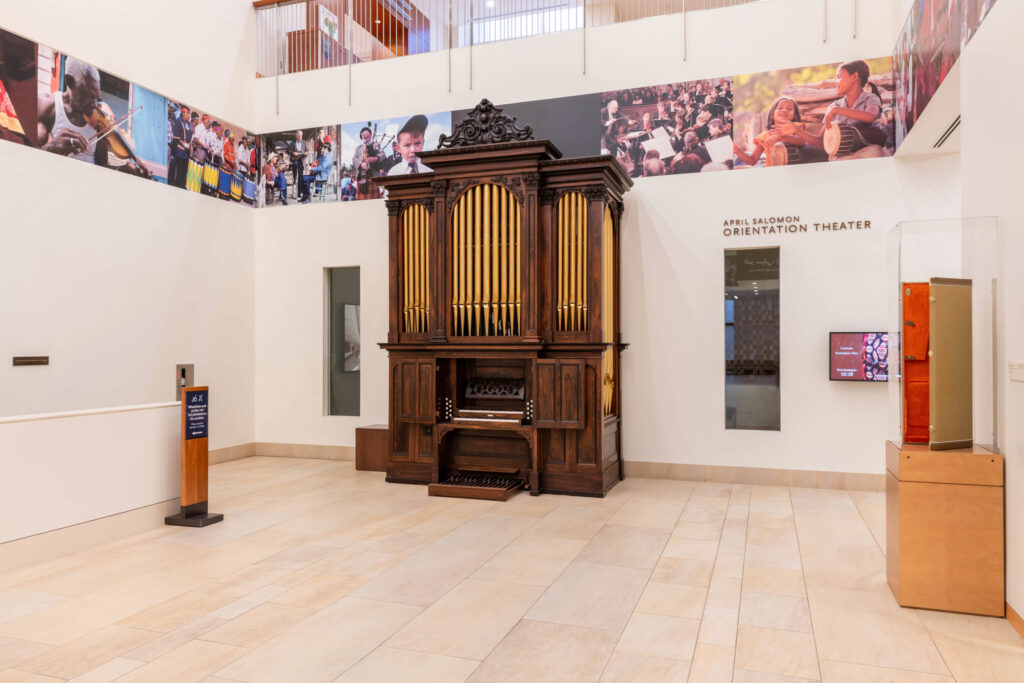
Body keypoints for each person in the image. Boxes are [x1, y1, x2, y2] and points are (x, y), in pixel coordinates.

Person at [780, 60, 887, 153]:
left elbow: (870, 116)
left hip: (866, 151)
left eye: (839, 77)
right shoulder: (834, 106)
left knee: (873, 152)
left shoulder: (870, 98)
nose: (835, 82)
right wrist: (797, 131)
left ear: (854, 77)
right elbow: (822, 142)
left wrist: (838, 111)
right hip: (840, 155)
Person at [37, 57, 101, 162]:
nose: (94, 104)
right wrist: (51, 147)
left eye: (97, 98)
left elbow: (101, 165)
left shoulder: (99, 118)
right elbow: (29, 159)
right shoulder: (46, 105)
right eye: (88, 95)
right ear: (69, 81)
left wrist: (120, 169)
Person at [733, 97, 807, 168]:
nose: (784, 110)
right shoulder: (764, 136)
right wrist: (738, 151)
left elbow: (802, 141)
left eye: (789, 109)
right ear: (772, 114)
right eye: (780, 108)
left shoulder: (796, 127)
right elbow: (752, 160)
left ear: (794, 116)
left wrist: (781, 137)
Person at [351, 126, 382, 199]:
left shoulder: (375, 145)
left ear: (370, 136)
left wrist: (375, 158)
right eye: (363, 134)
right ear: (361, 137)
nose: (364, 135)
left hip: (372, 176)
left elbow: (382, 154)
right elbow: (354, 159)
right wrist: (360, 164)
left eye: (366, 133)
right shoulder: (358, 148)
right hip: (361, 177)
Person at [167, 103, 193, 187]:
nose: (189, 115)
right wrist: (184, 143)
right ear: (183, 113)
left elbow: (191, 136)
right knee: (179, 170)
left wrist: (190, 146)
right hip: (180, 151)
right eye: (187, 113)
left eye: (189, 113)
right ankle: (177, 185)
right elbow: (175, 136)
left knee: (184, 171)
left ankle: (182, 184)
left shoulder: (188, 124)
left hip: (186, 152)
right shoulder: (178, 122)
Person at [289, 129, 308, 194]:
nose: (300, 137)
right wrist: (293, 153)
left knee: (301, 176)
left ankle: (300, 192)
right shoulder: (293, 143)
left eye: (301, 136)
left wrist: (306, 154)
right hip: (295, 160)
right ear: (296, 136)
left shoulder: (304, 142)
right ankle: (294, 179)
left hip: (301, 160)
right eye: (299, 136)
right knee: (295, 166)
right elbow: (288, 151)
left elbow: (307, 151)